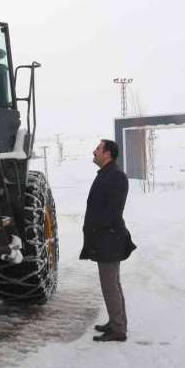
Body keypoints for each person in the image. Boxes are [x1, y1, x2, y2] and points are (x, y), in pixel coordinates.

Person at [80, 139, 137, 342]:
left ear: (107, 154)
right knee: (113, 283)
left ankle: (118, 330)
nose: (94, 151)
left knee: (110, 285)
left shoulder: (116, 177)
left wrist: (95, 228)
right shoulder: (107, 173)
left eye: (98, 149)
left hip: (109, 239)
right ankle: (116, 322)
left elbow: (113, 211)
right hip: (106, 238)